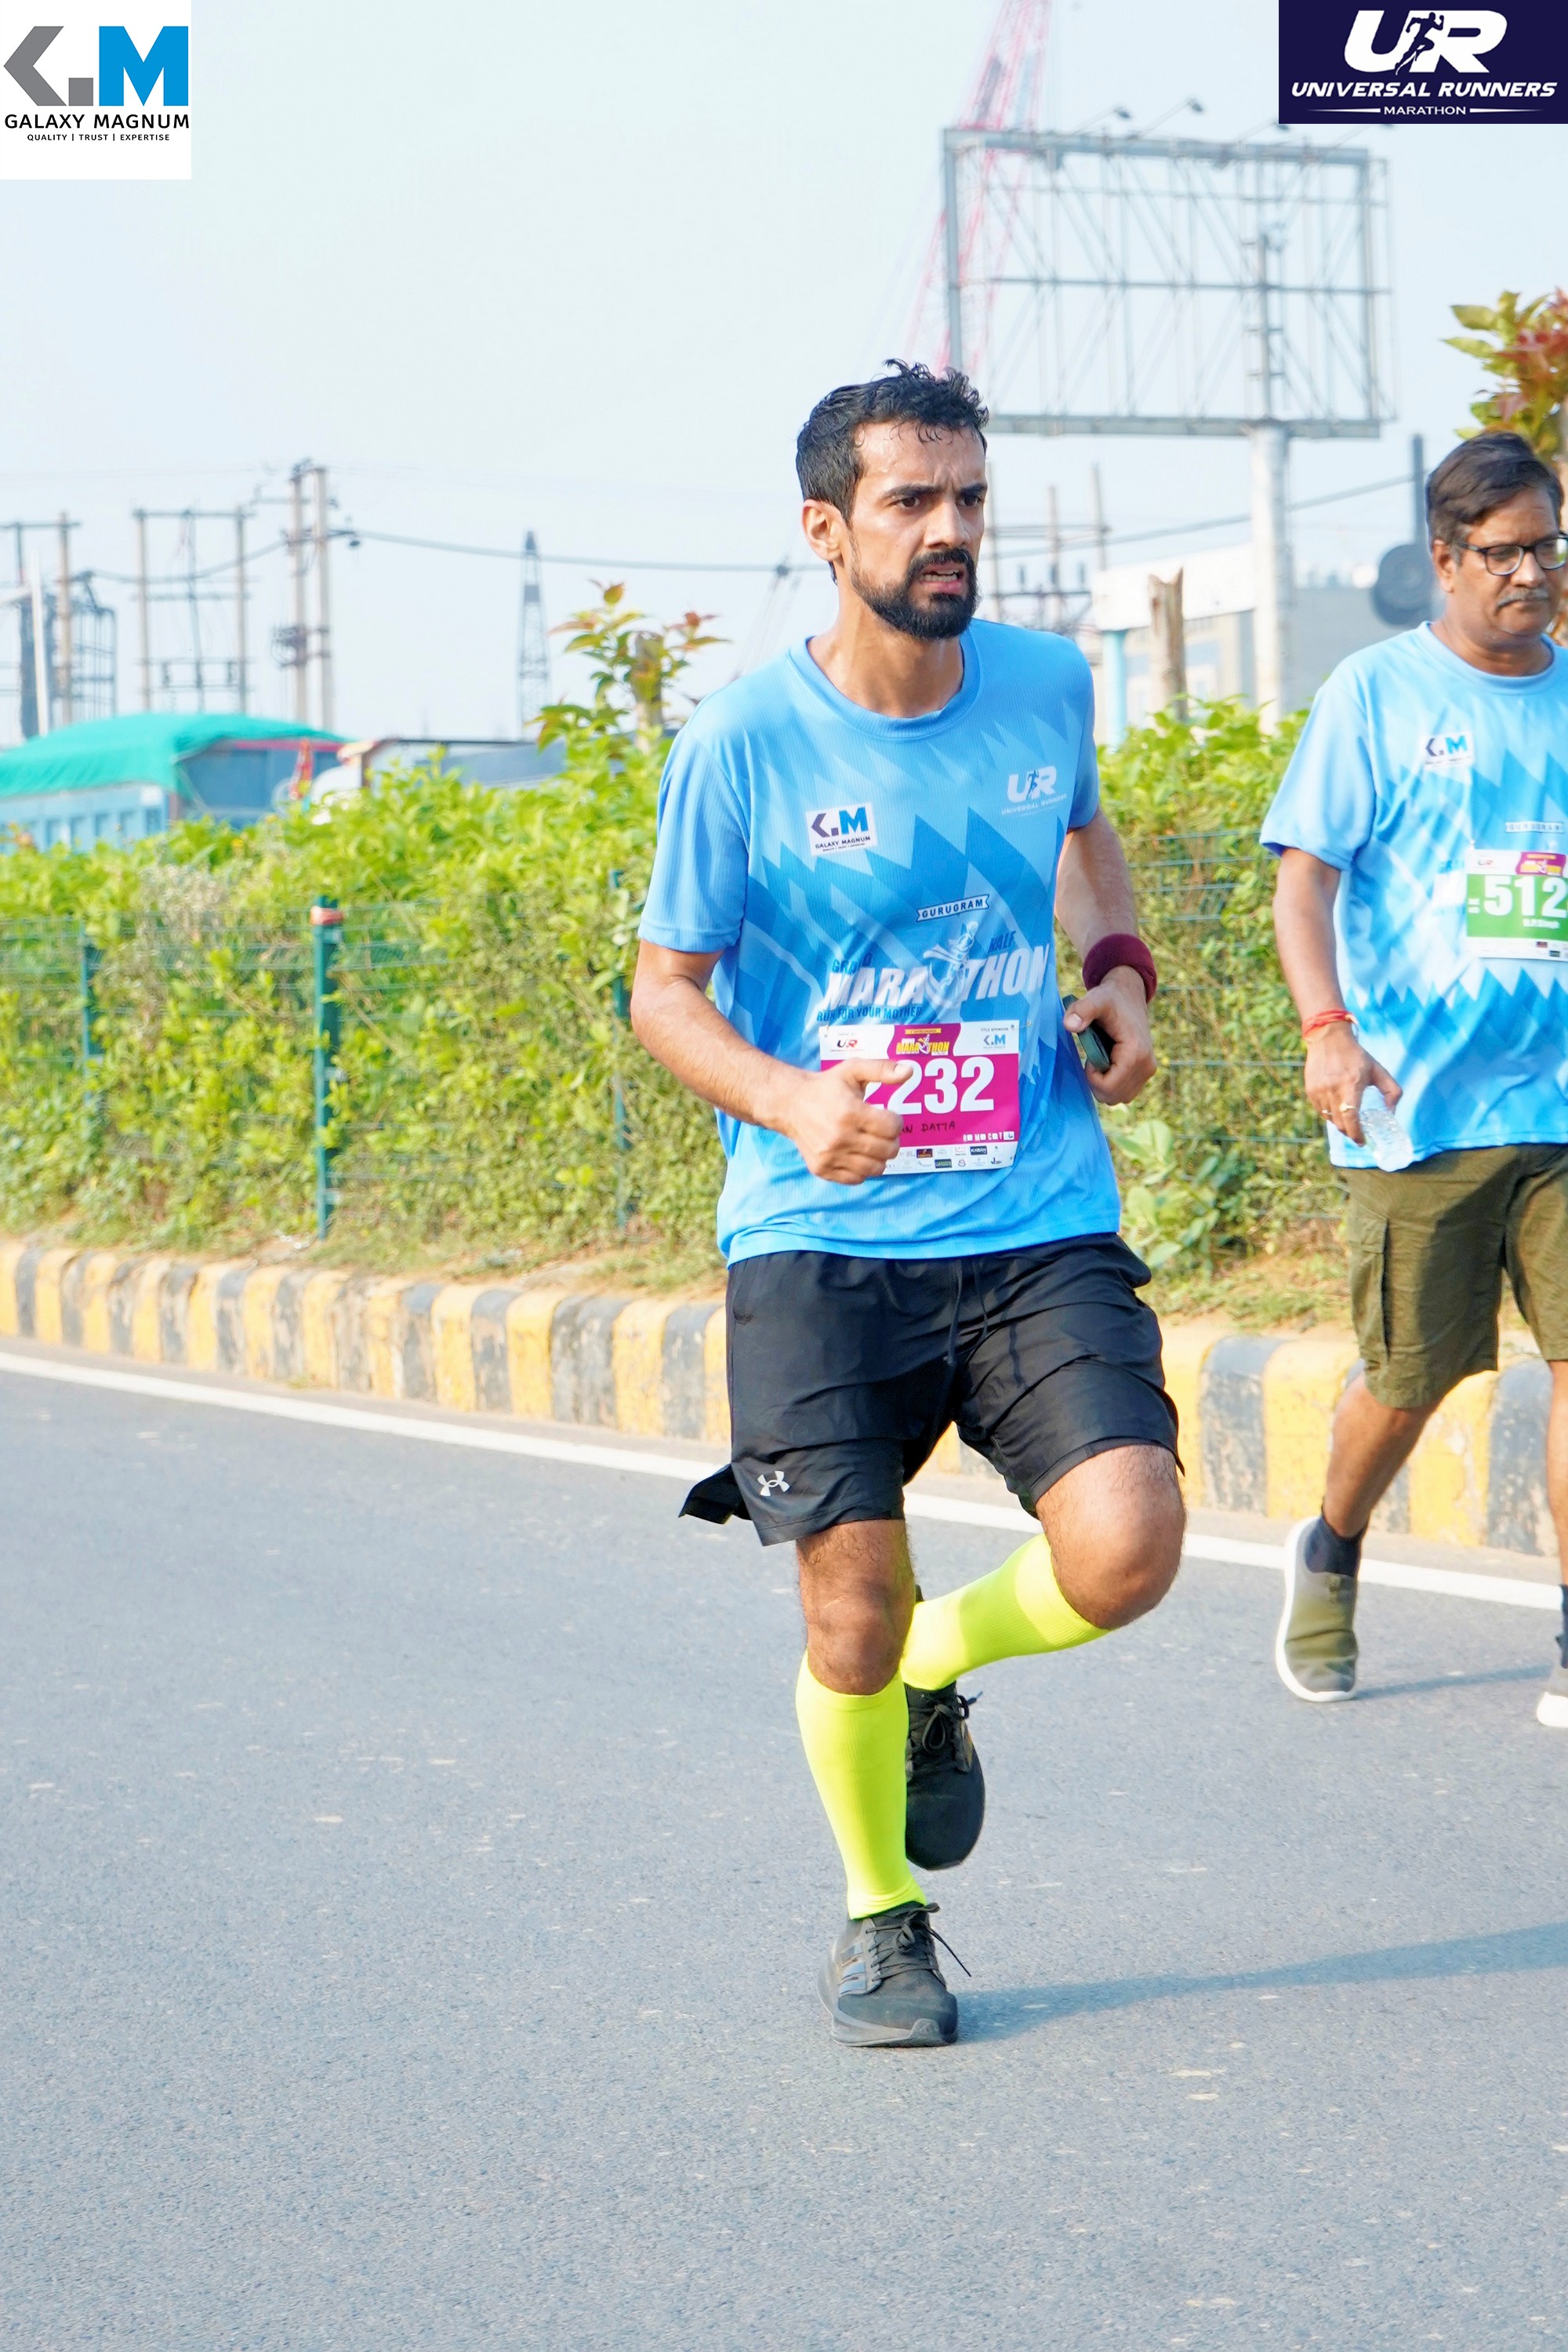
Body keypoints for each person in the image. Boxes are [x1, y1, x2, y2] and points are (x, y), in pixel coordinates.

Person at [630, 361, 1183, 2048]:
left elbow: (1083, 837)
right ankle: (882, 1919)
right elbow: (664, 994)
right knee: (845, 1611)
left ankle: (948, 1658)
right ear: (827, 528)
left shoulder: (1043, 685)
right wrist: (793, 1099)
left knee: (1128, 1548)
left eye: (968, 499)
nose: (950, 529)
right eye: (910, 501)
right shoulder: (742, 741)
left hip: (1031, 1209)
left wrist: (1117, 969)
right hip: (822, 1238)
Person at [1264, 429, 1568, 1724]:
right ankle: (1331, 1545)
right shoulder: (1376, 696)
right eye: (1502, 553)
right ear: (1445, 560)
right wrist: (1327, 1028)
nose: (1531, 573)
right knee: (1409, 1380)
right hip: (1420, 1111)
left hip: (1562, 1101)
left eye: (1547, 547)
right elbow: (1304, 885)